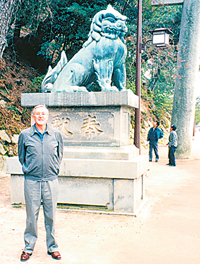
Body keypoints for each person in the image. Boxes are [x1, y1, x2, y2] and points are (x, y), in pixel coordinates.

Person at [18, 105, 63, 261]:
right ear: (33, 116)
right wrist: (28, 169)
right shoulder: (25, 135)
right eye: (38, 114)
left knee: (50, 215)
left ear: (48, 116)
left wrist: (54, 169)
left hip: (51, 180)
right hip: (32, 181)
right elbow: (21, 156)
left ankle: (52, 247)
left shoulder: (56, 134)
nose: (41, 116)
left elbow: (60, 155)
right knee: (32, 215)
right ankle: (28, 247)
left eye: (43, 114)